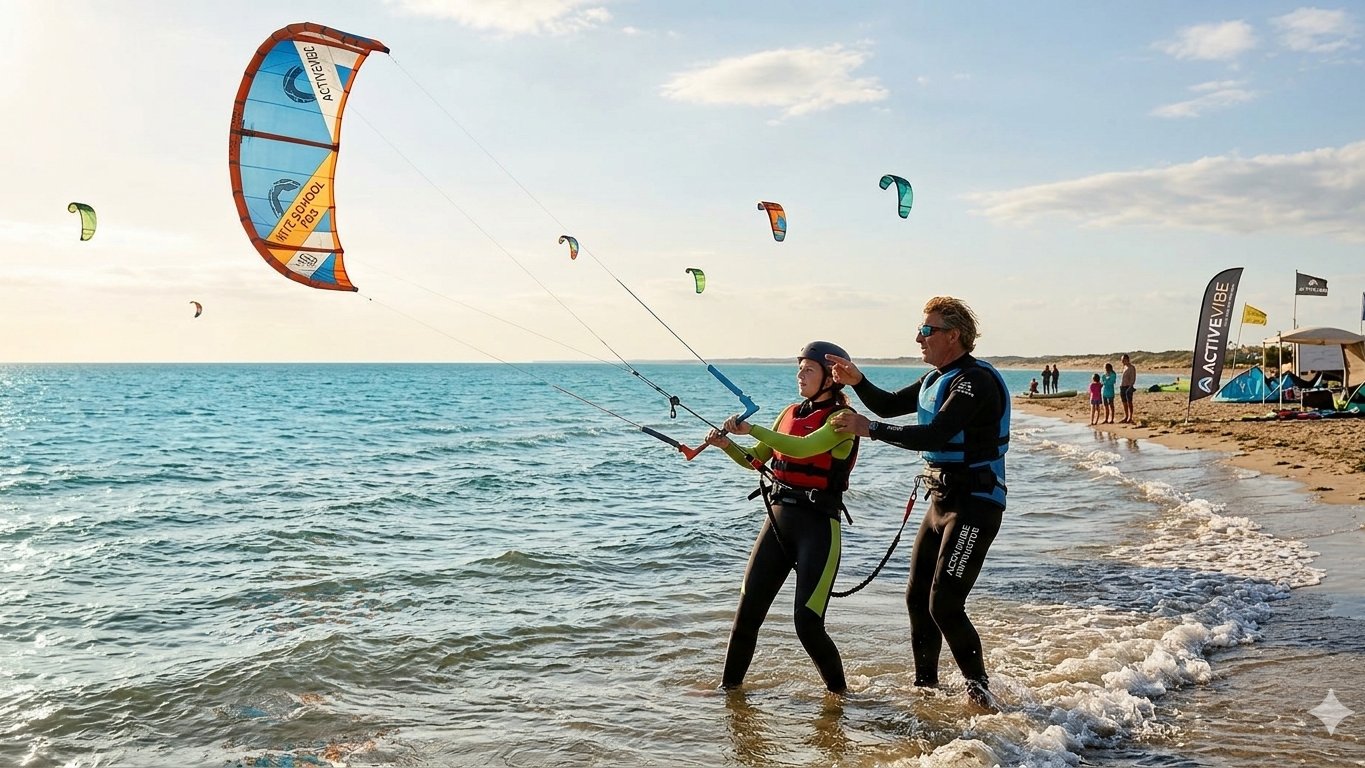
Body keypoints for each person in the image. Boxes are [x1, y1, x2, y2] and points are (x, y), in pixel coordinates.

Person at [824, 297, 1009, 709]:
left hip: (975, 504)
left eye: (927, 331)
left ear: (953, 335)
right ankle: (926, 689)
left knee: (944, 602)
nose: (918, 338)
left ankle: (981, 695)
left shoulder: (973, 381)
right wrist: (858, 381)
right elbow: (889, 404)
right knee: (916, 598)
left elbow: (934, 436)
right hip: (940, 500)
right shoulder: (934, 379)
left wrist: (867, 428)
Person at [704, 341, 860, 694]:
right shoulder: (788, 412)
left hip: (818, 527)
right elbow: (754, 460)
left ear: (831, 379)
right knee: (747, 614)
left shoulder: (842, 421)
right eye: (799, 368)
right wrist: (728, 445)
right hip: (778, 521)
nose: (800, 375)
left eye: (809, 370)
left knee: (807, 623)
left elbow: (803, 449)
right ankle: (728, 692)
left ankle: (840, 697)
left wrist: (754, 429)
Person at [1119, 353, 1137, 423]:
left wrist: (1130, 387)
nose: (1122, 361)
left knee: (1129, 402)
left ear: (1127, 359)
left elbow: (1133, 378)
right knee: (1124, 402)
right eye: (1121, 360)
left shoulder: (1131, 367)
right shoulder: (1124, 367)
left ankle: (1130, 417)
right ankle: (1126, 416)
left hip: (1128, 387)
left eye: (1123, 360)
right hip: (1122, 386)